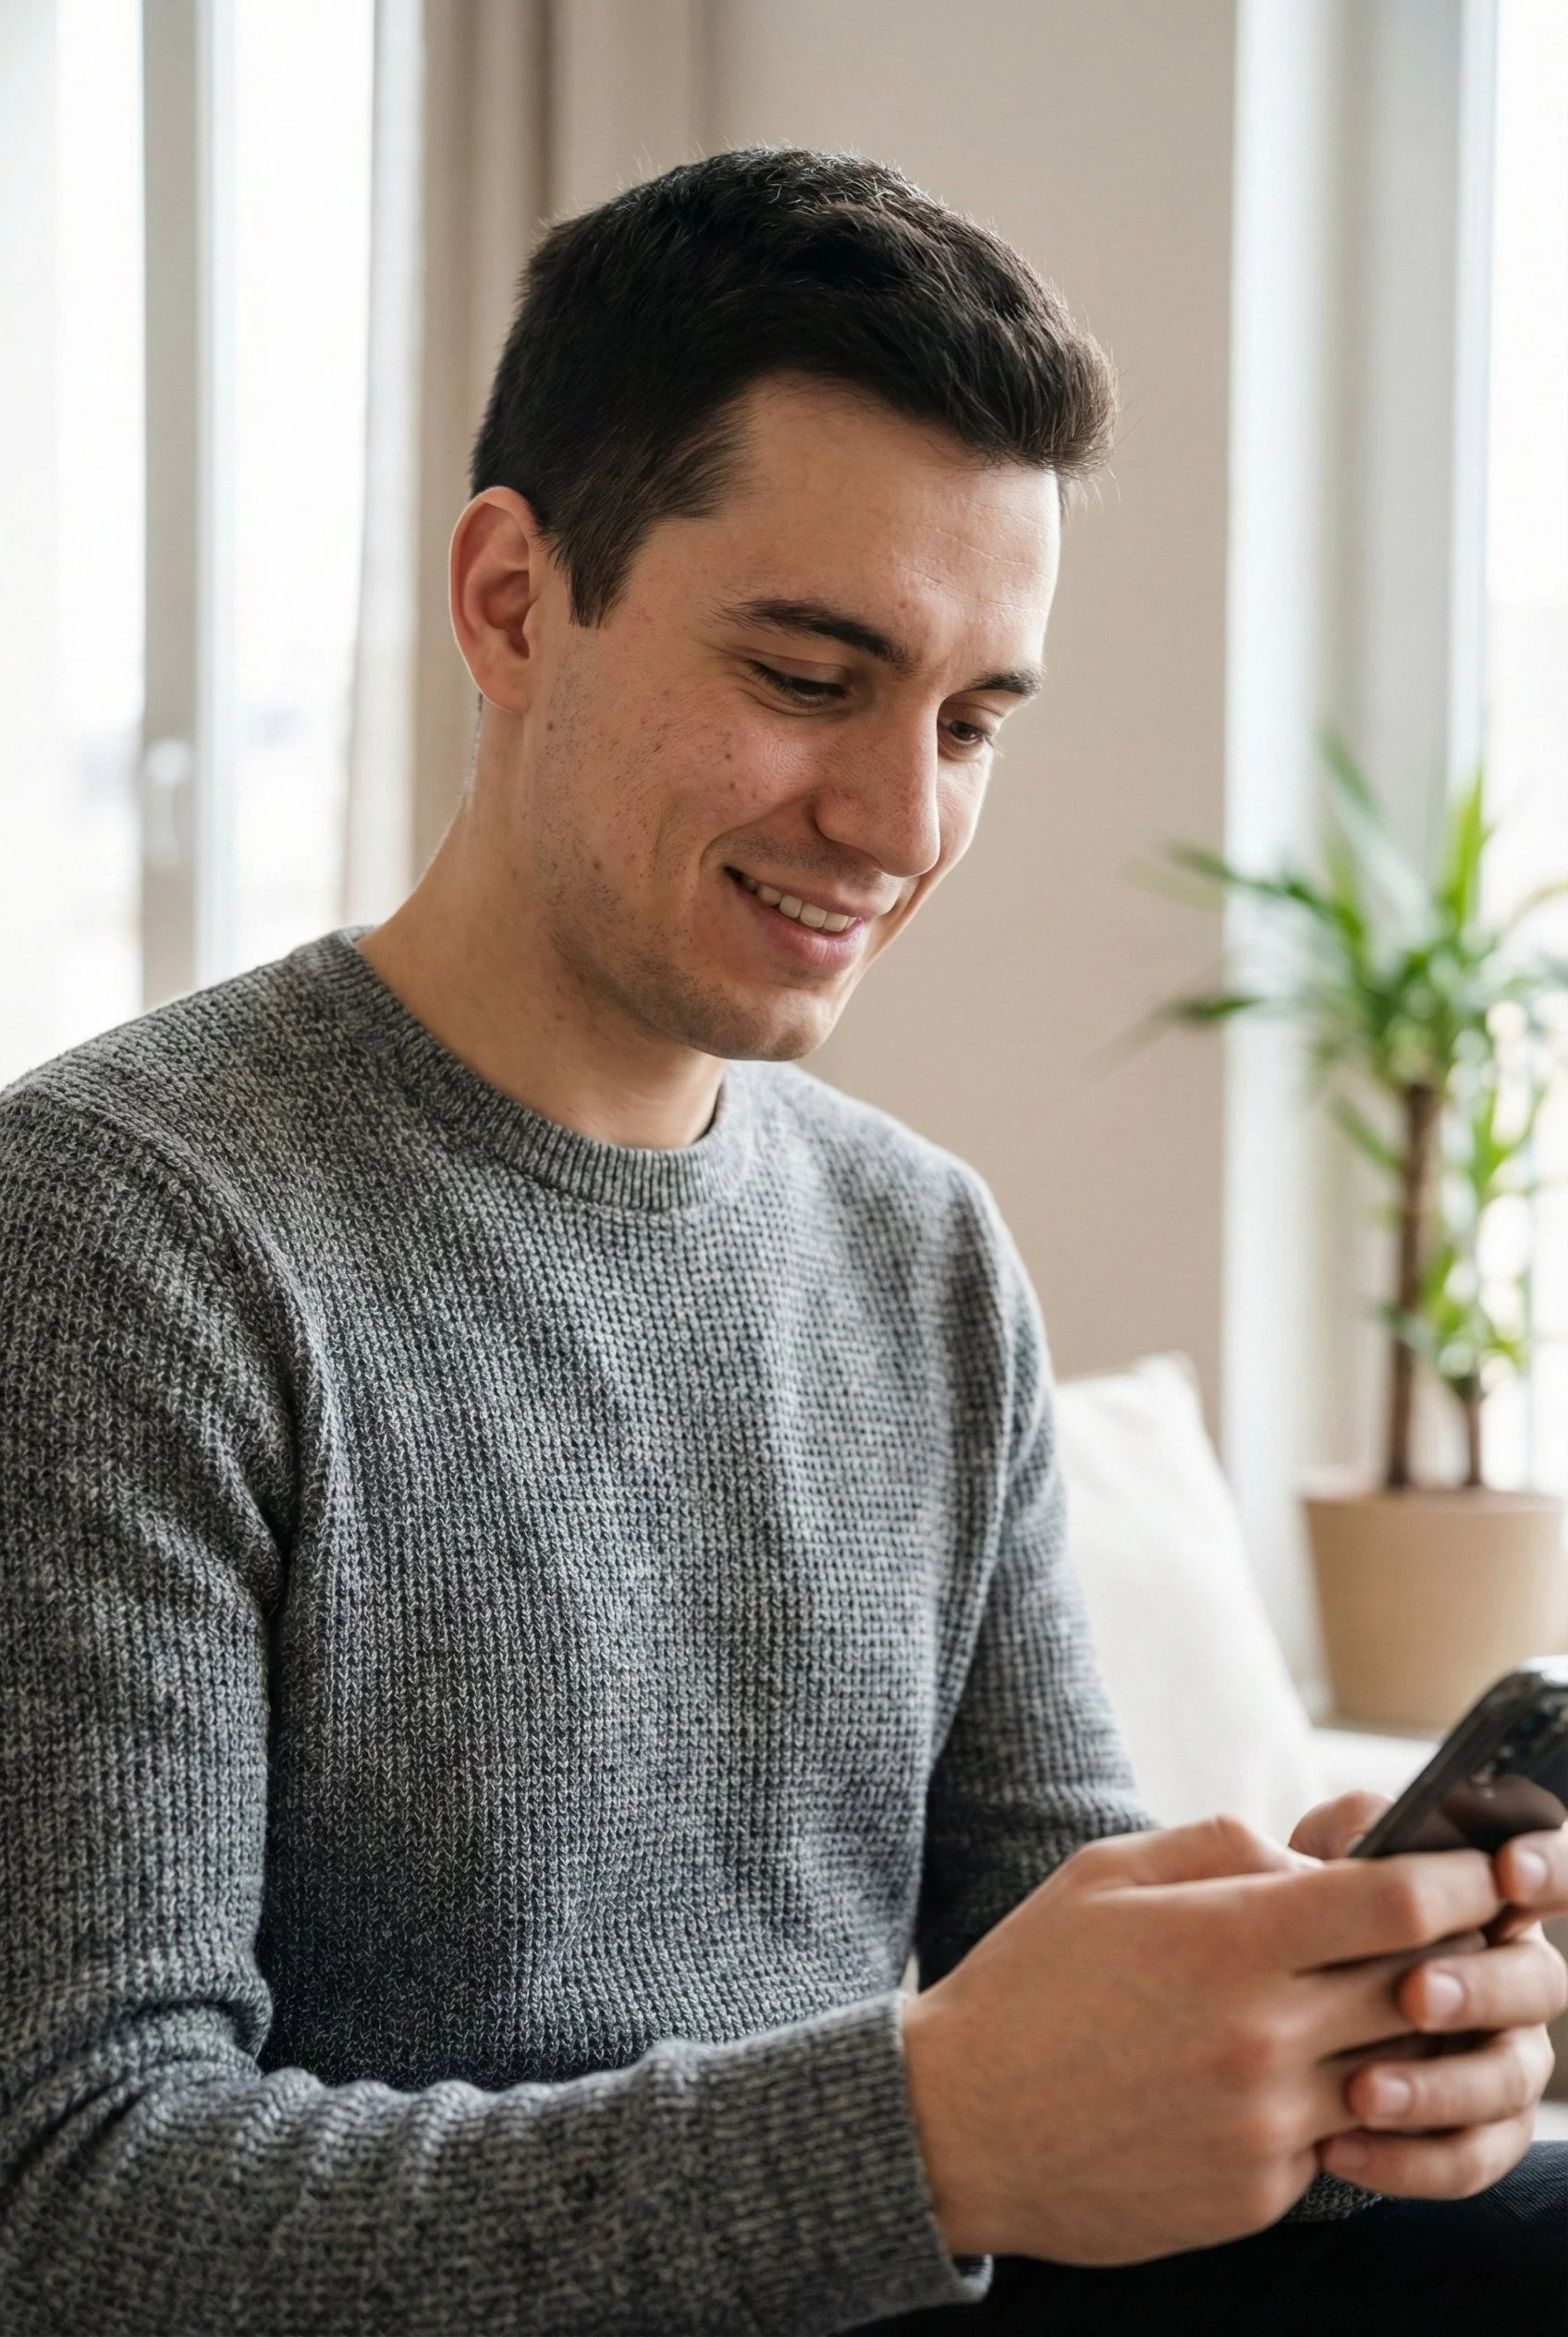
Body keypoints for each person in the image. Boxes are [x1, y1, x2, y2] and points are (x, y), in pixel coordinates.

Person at [0, 149, 1562, 2337]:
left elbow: (1051, 1990)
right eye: (812, 674)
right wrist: (924, 2138)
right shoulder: (114, 1235)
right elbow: (76, 2204)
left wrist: (1312, 2038)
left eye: (970, 720)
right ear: (512, 601)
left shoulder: (916, 1250)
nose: (902, 820)